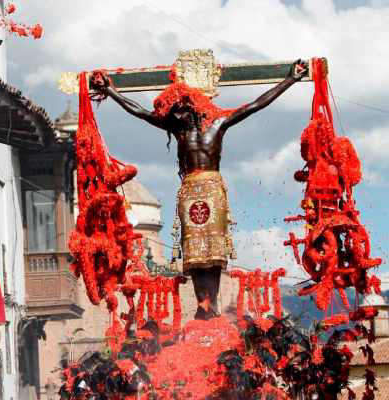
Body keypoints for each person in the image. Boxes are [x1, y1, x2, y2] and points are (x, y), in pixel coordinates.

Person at [89, 60, 309, 320]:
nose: (175, 111)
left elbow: (255, 105)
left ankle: (211, 303)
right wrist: (112, 92)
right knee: (193, 250)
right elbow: (140, 112)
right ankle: (201, 303)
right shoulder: (177, 127)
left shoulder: (219, 123)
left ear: (193, 105)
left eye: (180, 106)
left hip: (212, 187)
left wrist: (290, 80)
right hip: (190, 189)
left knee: (213, 250)